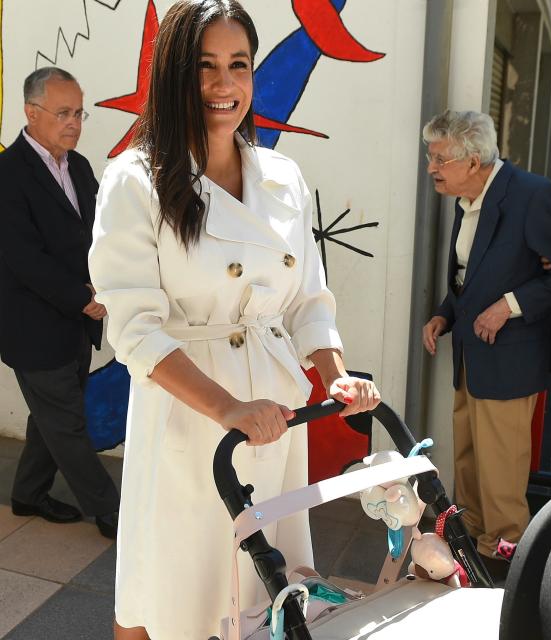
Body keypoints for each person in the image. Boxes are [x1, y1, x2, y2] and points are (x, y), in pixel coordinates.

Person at [87, 2, 380, 638]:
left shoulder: (282, 177)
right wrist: (226, 409)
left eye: (239, 65)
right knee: (176, 586)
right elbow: (135, 328)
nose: (226, 86)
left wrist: (336, 377)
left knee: (265, 588)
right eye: (206, 67)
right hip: (191, 417)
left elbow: (307, 297)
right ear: (174, 75)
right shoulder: (135, 179)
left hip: (274, 417)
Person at [421, 110, 551, 578]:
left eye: (439, 159)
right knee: (469, 459)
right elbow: (470, 275)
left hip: (511, 356)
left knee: (503, 473)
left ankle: (508, 568)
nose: (431, 167)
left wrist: (509, 305)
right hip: (473, 352)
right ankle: (470, 541)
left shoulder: (532, 196)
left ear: (473, 161)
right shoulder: (464, 197)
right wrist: (444, 313)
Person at [0, 67, 120, 539]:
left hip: (76, 322)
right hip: (34, 326)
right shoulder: (8, 175)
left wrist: (107, 286)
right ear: (32, 113)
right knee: (67, 423)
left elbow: (97, 238)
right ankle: (112, 512)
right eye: (63, 113)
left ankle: (28, 493)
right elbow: (24, 258)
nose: (74, 123)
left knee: (50, 416)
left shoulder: (81, 167)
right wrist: (83, 299)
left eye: (79, 113)